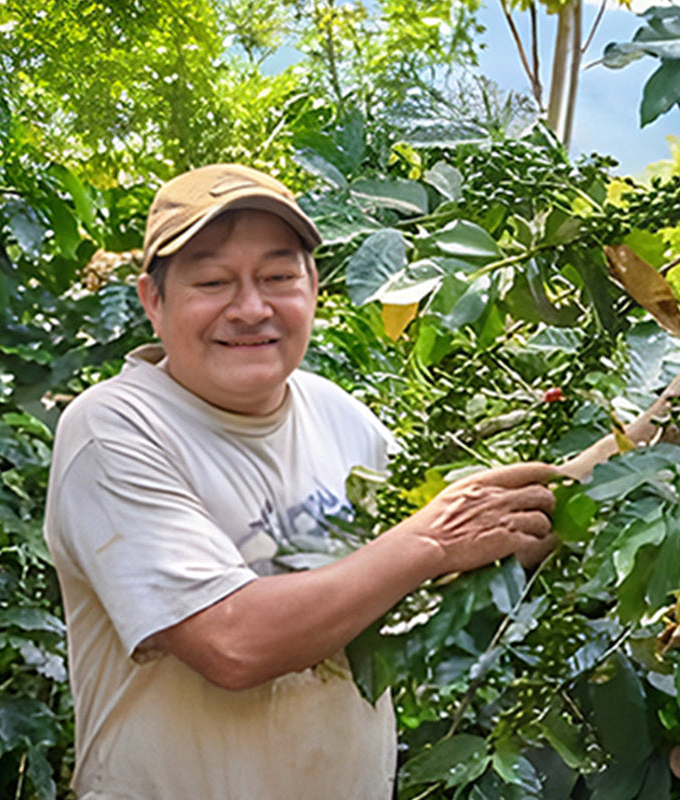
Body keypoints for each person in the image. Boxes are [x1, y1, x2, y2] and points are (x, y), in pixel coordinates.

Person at [43, 164, 559, 800]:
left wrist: (659, 431)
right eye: (212, 281)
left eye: (278, 277)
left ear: (312, 286)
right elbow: (231, 642)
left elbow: (427, 577)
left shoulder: (339, 415)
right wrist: (433, 541)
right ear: (154, 300)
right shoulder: (114, 430)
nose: (251, 308)